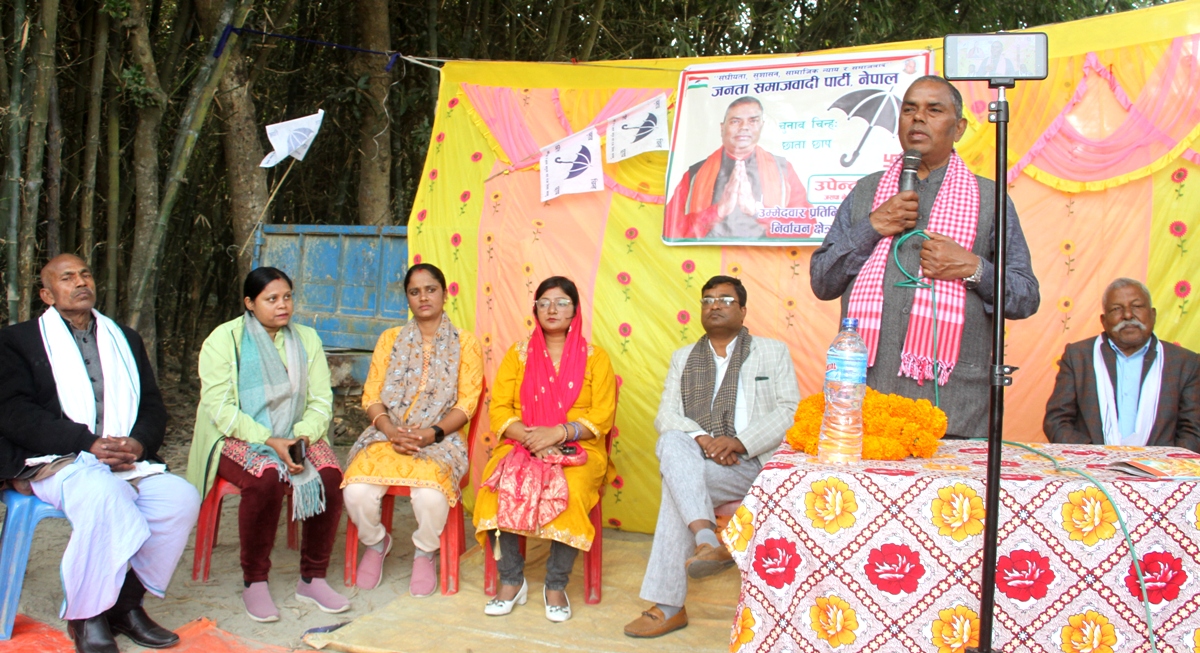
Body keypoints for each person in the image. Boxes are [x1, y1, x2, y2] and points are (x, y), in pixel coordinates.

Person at [810, 75, 1040, 439]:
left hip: (953, 410)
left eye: (934, 110)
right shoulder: (867, 191)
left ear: (958, 127)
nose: (918, 118)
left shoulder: (990, 199)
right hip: (866, 405)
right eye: (909, 110)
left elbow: (1025, 296)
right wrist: (872, 227)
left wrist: (973, 268)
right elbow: (822, 281)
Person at [0, 254, 199, 653]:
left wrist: (138, 443)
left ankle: (125, 606)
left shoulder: (124, 338)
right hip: (54, 460)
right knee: (107, 496)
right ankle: (86, 615)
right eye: (67, 278)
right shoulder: (17, 341)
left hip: (122, 458)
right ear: (47, 294)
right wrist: (85, 441)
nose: (80, 282)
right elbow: (13, 412)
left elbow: (153, 405)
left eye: (85, 274)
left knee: (180, 497)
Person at [624, 275, 800, 638]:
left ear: (743, 310)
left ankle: (669, 606)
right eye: (707, 300)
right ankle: (707, 539)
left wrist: (739, 442)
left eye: (725, 299)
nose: (714, 305)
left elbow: (788, 411)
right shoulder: (684, 358)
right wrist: (704, 440)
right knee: (672, 440)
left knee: (676, 486)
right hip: (699, 460)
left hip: (751, 465)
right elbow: (667, 415)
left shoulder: (772, 351)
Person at [187, 267, 349, 623]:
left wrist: (302, 436)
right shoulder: (224, 340)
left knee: (330, 478)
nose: (282, 305)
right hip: (236, 434)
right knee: (266, 479)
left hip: (296, 431)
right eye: (271, 299)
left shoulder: (306, 338)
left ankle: (313, 578)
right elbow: (220, 409)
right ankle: (255, 580)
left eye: (287, 297)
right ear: (250, 303)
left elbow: (321, 400)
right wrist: (269, 440)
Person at [472, 276, 616, 623]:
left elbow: (602, 415)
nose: (552, 309)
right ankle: (511, 580)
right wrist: (532, 439)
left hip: (577, 447)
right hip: (522, 443)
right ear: (535, 309)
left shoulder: (596, 359)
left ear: (575, 311)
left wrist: (558, 434)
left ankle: (555, 584)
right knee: (495, 487)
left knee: (571, 490)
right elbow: (500, 410)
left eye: (562, 302)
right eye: (544, 302)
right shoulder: (518, 355)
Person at [342, 263, 483, 595]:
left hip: (441, 438)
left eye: (431, 289)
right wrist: (391, 430)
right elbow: (371, 396)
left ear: (444, 294)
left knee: (431, 495)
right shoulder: (390, 339)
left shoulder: (466, 343)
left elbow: (467, 404)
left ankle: (425, 551)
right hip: (386, 434)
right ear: (407, 298)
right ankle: (376, 543)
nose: (423, 297)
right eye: (414, 292)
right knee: (356, 491)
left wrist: (431, 433)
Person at [1044, 278, 1199, 450]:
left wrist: (1165, 462)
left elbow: (1193, 430)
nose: (1128, 315)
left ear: (1153, 314)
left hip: (1162, 465)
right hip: (1092, 463)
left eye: (1137, 306)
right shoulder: (1078, 357)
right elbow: (1057, 421)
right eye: (1116, 309)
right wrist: (1092, 456)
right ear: (1103, 321)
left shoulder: (1185, 363)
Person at [664, 96, 810, 240]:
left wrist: (758, 212)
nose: (744, 127)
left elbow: (805, 226)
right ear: (722, 128)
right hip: (710, 254)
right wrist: (717, 211)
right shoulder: (695, 173)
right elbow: (670, 229)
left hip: (762, 254)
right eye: (735, 121)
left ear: (761, 126)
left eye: (753, 121)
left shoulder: (782, 169)